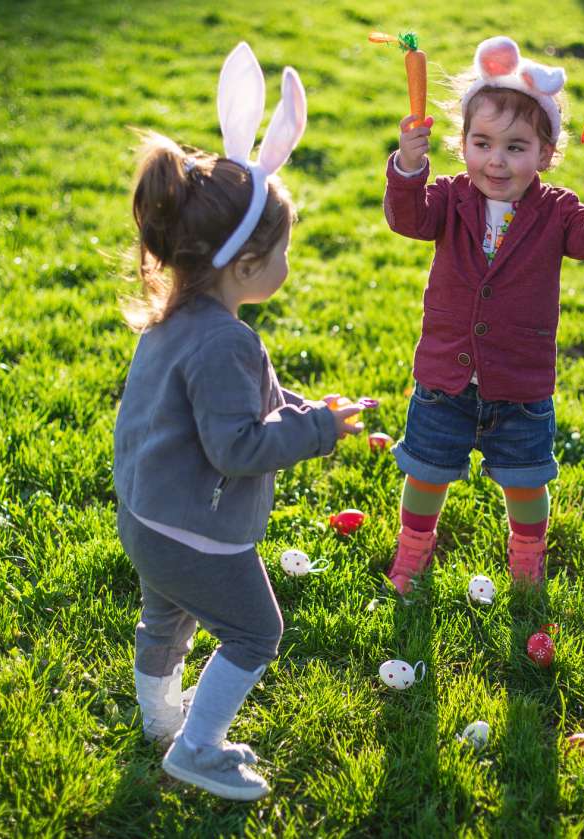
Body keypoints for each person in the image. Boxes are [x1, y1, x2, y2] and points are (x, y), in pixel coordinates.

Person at [113, 43, 367, 801]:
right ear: (247, 263)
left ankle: (161, 716)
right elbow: (236, 447)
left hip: (148, 515)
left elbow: (249, 408)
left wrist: (309, 410)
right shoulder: (227, 339)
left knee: (168, 616)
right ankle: (196, 747)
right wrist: (318, 434)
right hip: (197, 528)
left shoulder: (178, 317)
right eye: (283, 249)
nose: (289, 263)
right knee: (256, 632)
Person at [383, 35, 584, 594]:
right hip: (445, 381)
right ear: (463, 144)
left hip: (520, 386)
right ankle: (412, 555)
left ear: (547, 154)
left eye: (517, 147)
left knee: (526, 483)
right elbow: (406, 219)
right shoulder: (450, 198)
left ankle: (527, 560)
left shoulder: (556, 211)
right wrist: (408, 165)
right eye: (482, 143)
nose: (496, 160)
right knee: (425, 474)